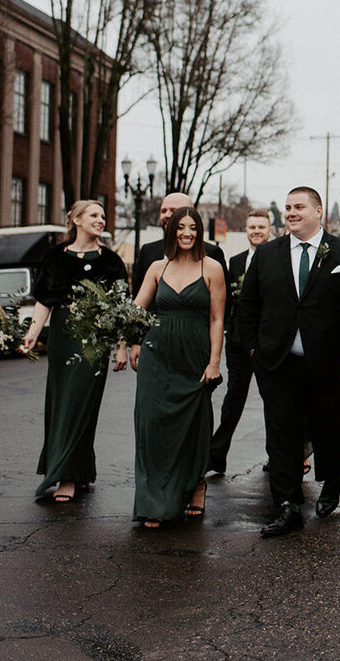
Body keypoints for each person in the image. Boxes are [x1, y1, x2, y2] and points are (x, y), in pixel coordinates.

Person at [236, 186, 340, 537]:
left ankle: (332, 478)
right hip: (277, 364)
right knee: (282, 433)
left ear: (318, 211)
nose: (291, 213)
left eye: (299, 207)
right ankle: (287, 505)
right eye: (287, 208)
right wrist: (253, 349)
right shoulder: (267, 254)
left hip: (329, 364)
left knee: (326, 428)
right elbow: (247, 306)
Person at [121, 207, 225, 528]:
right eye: (181, 227)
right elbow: (136, 309)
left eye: (193, 228)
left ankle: (196, 483)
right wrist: (121, 335)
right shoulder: (157, 267)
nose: (187, 233)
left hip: (194, 354)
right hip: (157, 354)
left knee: (193, 423)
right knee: (151, 425)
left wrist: (214, 363)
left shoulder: (212, 268)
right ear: (171, 230)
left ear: (200, 232)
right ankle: (153, 501)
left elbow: (217, 318)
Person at [24, 200, 128, 502]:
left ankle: (66, 476)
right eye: (94, 215)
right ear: (77, 220)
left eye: (103, 216)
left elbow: (120, 307)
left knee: (80, 403)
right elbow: (45, 300)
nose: (101, 219)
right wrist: (32, 334)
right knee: (61, 403)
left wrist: (120, 346)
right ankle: (78, 469)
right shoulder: (54, 256)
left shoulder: (110, 260)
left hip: (93, 340)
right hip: (62, 338)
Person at [208, 209, 273, 475]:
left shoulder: (277, 258)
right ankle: (216, 457)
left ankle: (279, 457)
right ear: (246, 230)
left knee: (273, 401)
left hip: (269, 343)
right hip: (237, 343)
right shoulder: (234, 262)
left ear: (270, 230)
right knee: (233, 398)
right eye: (252, 227)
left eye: (261, 227)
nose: (256, 231)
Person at [130, 192, 227, 296]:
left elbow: (224, 301)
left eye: (173, 211)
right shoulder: (148, 251)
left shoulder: (212, 253)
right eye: (163, 211)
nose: (167, 215)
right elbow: (137, 297)